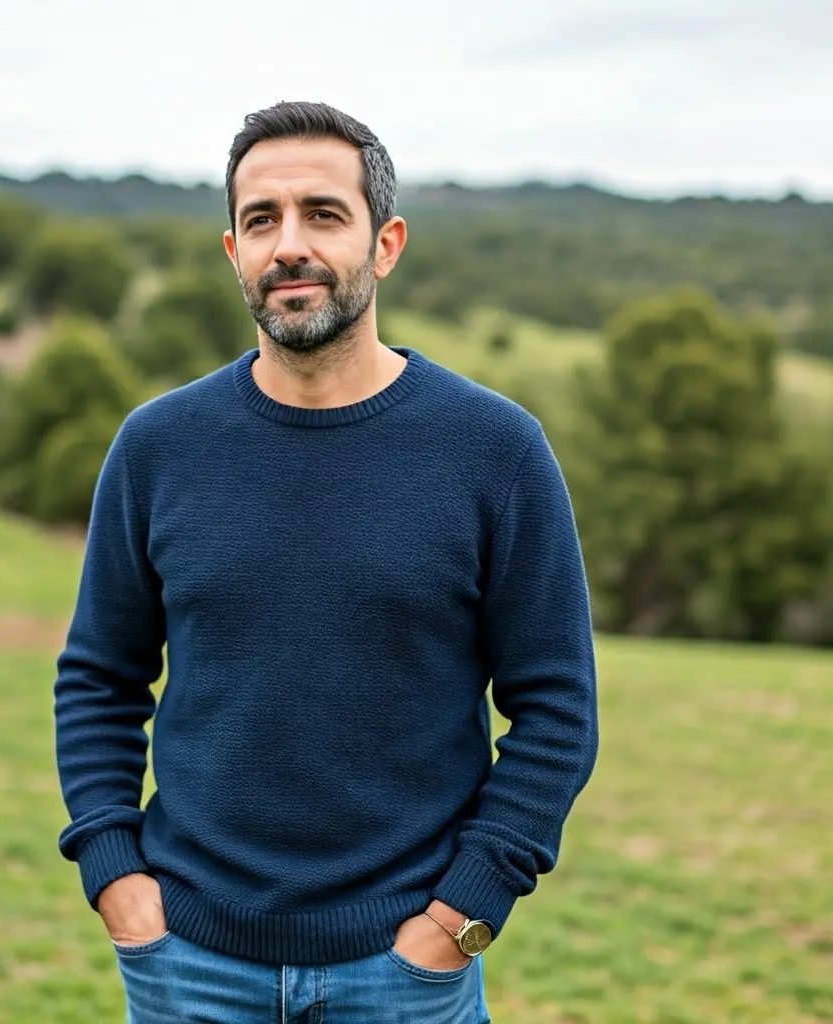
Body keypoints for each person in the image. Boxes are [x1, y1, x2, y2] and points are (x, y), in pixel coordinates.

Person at [53, 100, 599, 1023]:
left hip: (405, 973)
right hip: (188, 962)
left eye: (323, 213)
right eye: (261, 220)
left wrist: (463, 913)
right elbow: (100, 678)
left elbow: (556, 707)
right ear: (233, 251)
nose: (288, 245)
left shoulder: (494, 450)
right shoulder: (158, 446)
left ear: (384, 244)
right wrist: (115, 877)